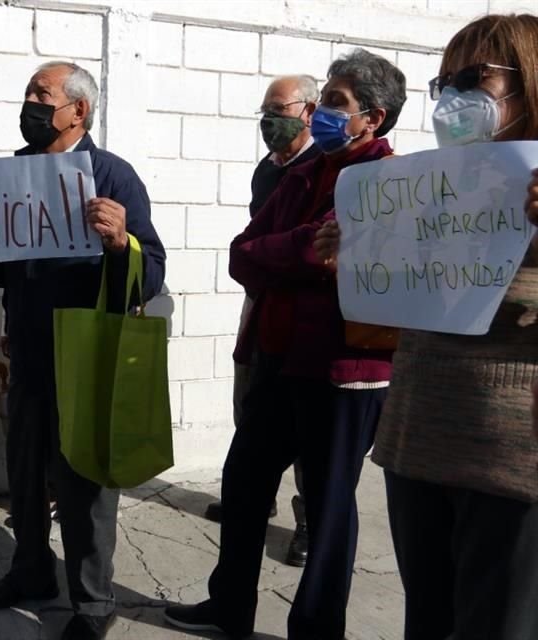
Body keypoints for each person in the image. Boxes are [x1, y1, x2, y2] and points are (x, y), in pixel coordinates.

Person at [165, 49, 406, 639]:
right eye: (323, 98)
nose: (321, 112)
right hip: (276, 359)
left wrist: (295, 256)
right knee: (245, 484)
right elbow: (243, 254)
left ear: (371, 118)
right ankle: (230, 606)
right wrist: (303, 251)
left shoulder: (393, 183)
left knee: (327, 506)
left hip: (343, 370)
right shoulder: (299, 173)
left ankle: (317, 628)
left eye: (335, 102)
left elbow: (360, 265)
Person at [0, 61, 165, 640]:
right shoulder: (16, 171)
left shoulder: (112, 175)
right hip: (29, 350)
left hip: (86, 356)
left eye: (42, 93)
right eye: (28, 93)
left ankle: (91, 602)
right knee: (26, 474)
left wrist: (119, 241)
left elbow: (149, 272)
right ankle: (30, 571)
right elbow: (8, 266)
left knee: (83, 482)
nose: (29, 102)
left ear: (78, 109)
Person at [316, 14, 538, 639]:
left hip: (511, 464)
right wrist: (358, 256)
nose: (454, 100)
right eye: (445, 84)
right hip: (416, 442)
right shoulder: (428, 188)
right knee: (429, 622)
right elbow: (402, 311)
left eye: (475, 79)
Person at [204, 74, 321, 570]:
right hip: (259, 303)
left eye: (279, 109)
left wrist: (261, 256)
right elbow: (251, 244)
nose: (269, 120)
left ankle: (308, 523)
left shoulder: (322, 167)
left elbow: (303, 249)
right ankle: (257, 495)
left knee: (302, 427)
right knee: (248, 399)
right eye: (264, 111)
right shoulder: (266, 170)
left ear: (308, 111)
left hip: (302, 317)